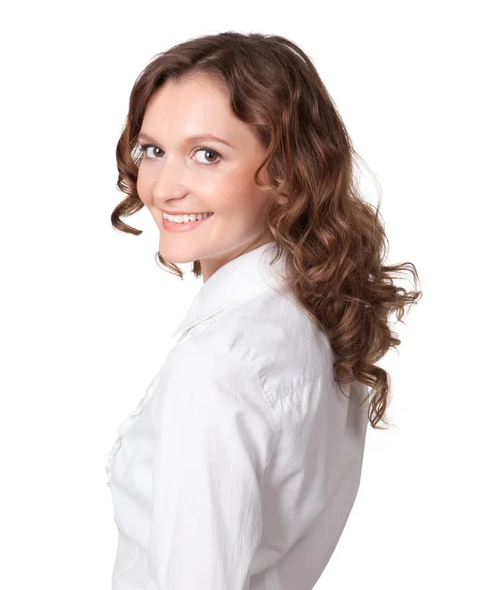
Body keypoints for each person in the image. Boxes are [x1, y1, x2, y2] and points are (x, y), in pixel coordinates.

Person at [106, 31, 422, 590]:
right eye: (152, 150)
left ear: (287, 172)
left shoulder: (215, 366)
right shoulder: (316, 313)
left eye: (207, 154)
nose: (164, 187)